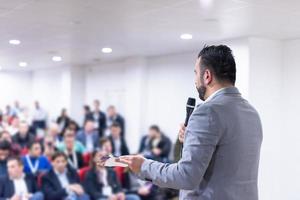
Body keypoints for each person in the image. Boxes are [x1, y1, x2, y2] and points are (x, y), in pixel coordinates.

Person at [112, 45, 263, 200]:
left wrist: (144, 166)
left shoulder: (208, 111)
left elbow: (185, 176)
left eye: (196, 73)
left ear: (207, 76)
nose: (195, 80)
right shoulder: (252, 112)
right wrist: (191, 140)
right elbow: (228, 158)